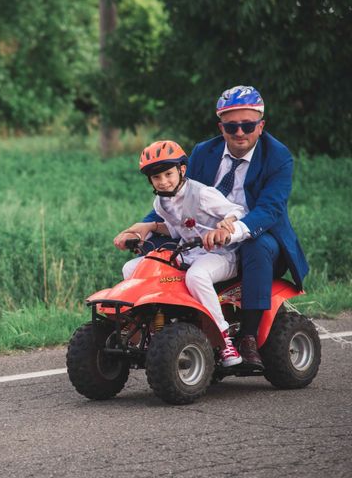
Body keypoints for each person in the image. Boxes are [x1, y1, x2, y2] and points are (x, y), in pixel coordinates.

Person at [137, 86, 309, 367]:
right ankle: (156, 319)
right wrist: (143, 227)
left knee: (257, 246)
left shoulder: (278, 156)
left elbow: (270, 209)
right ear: (222, 127)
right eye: (231, 126)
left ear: (261, 125)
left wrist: (232, 229)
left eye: (247, 125)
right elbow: (176, 194)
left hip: (256, 231)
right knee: (151, 249)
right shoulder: (205, 151)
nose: (239, 132)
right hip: (204, 234)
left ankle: (248, 337)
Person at [114, 140, 249, 367]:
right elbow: (178, 230)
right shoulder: (161, 203)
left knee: (196, 276)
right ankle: (150, 330)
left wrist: (227, 223)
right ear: (150, 180)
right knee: (132, 268)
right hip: (190, 252)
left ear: (182, 170)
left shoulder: (202, 194)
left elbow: (239, 210)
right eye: (157, 178)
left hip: (223, 253)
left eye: (168, 174)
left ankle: (224, 340)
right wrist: (149, 227)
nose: (164, 182)